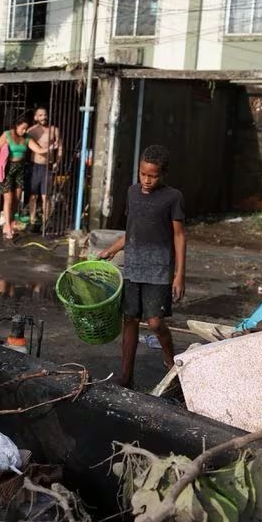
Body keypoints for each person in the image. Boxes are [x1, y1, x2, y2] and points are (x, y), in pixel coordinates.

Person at [96, 144, 187, 389]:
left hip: (158, 268)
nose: (146, 180)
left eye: (152, 176)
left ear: (163, 174)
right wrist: (112, 250)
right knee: (130, 319)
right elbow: (132, 230)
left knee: (155, 322)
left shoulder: (173, 197)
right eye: (143, 174)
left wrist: (179, 274)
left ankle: (172, 366)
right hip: (133, 266)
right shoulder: (132, 192)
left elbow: (179, 236)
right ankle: (126, 376)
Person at [0, 113, 31, 240]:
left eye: (26, 129)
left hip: (20, 169)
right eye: (23, 128)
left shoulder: (26, 138)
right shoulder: (7, 135)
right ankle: (7, 227)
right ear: (16, 126)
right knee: (9, 199)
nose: (24, 131)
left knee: (16, 200)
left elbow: (37, 148)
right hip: (7, 169)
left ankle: (10, 223)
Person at [25, 106, 61, 230]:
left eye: (45, 114)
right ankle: (32, 221)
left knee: (46, 196)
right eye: (40, 115)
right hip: (35, 166)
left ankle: (45, 222)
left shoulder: (54, 130)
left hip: (48, 166)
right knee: (33, 196)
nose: (43, 117)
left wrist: (57, 162)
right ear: (35, 117)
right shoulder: (31, 131)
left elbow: (60, 147)